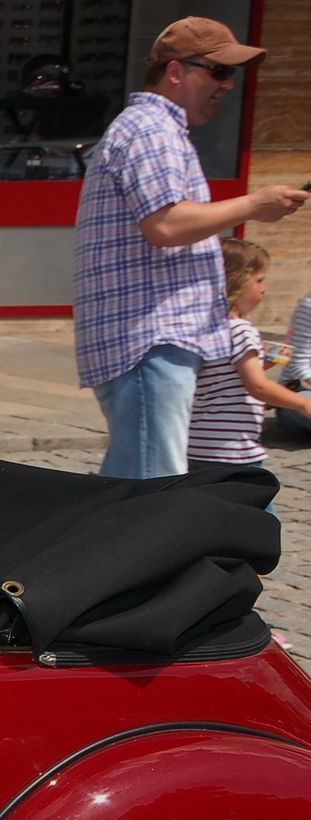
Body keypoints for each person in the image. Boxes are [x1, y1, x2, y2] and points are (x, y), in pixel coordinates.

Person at [73, 16, 306, 479]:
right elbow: (166, 224)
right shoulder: (150, 130)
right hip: (149, 338)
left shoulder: (158, 130)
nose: (229, 84)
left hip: (154, 338)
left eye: (232, 74)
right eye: (218, 72)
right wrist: (253, 204)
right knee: (146, 492)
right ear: (175, 71)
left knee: (138, 489)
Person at [186, 239, 311, 470]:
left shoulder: (206, 327)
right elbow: (258, 387)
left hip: (198, 445)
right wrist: (302, 404)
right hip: (234, 449)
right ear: (238, 281)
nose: (264, 288)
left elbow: (219, 377)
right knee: (256, 504)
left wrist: (259, 366)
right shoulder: (242, 330)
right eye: (260, 280)